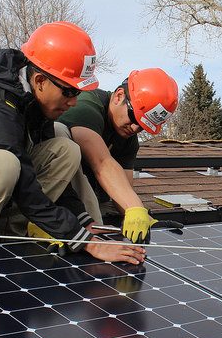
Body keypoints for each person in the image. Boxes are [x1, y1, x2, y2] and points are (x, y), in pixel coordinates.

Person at [0, 21, 145, 264]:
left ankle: (9, 237)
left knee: (64, 148)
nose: (74, 102)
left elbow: (50, 177)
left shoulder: (32, 104)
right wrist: (81, 241)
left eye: (78, 93)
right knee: (3, 164)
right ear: (39, 81)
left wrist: (84, 222)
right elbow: (27, 188)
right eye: (69, 91)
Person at [55, 68, 178, 244]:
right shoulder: (86, 106)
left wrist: (142, 216)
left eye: (143, 127)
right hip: (57, 197)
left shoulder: (127, 138)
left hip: (92, 203)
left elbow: (124, 191)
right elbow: (102, 163)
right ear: (119, 96)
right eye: (134, 118)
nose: (135, 129)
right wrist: (134, 207)